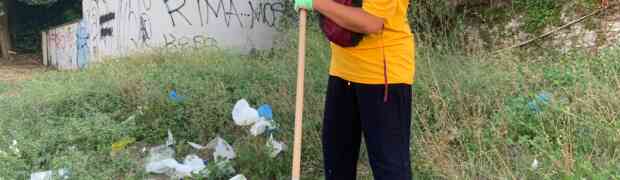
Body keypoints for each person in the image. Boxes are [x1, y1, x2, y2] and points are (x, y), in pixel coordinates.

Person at [294, 0, 415, 179]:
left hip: (382, 77)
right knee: (337, 164)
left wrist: (316, 2)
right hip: (342, 72)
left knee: (390, 169)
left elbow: (370, 22)